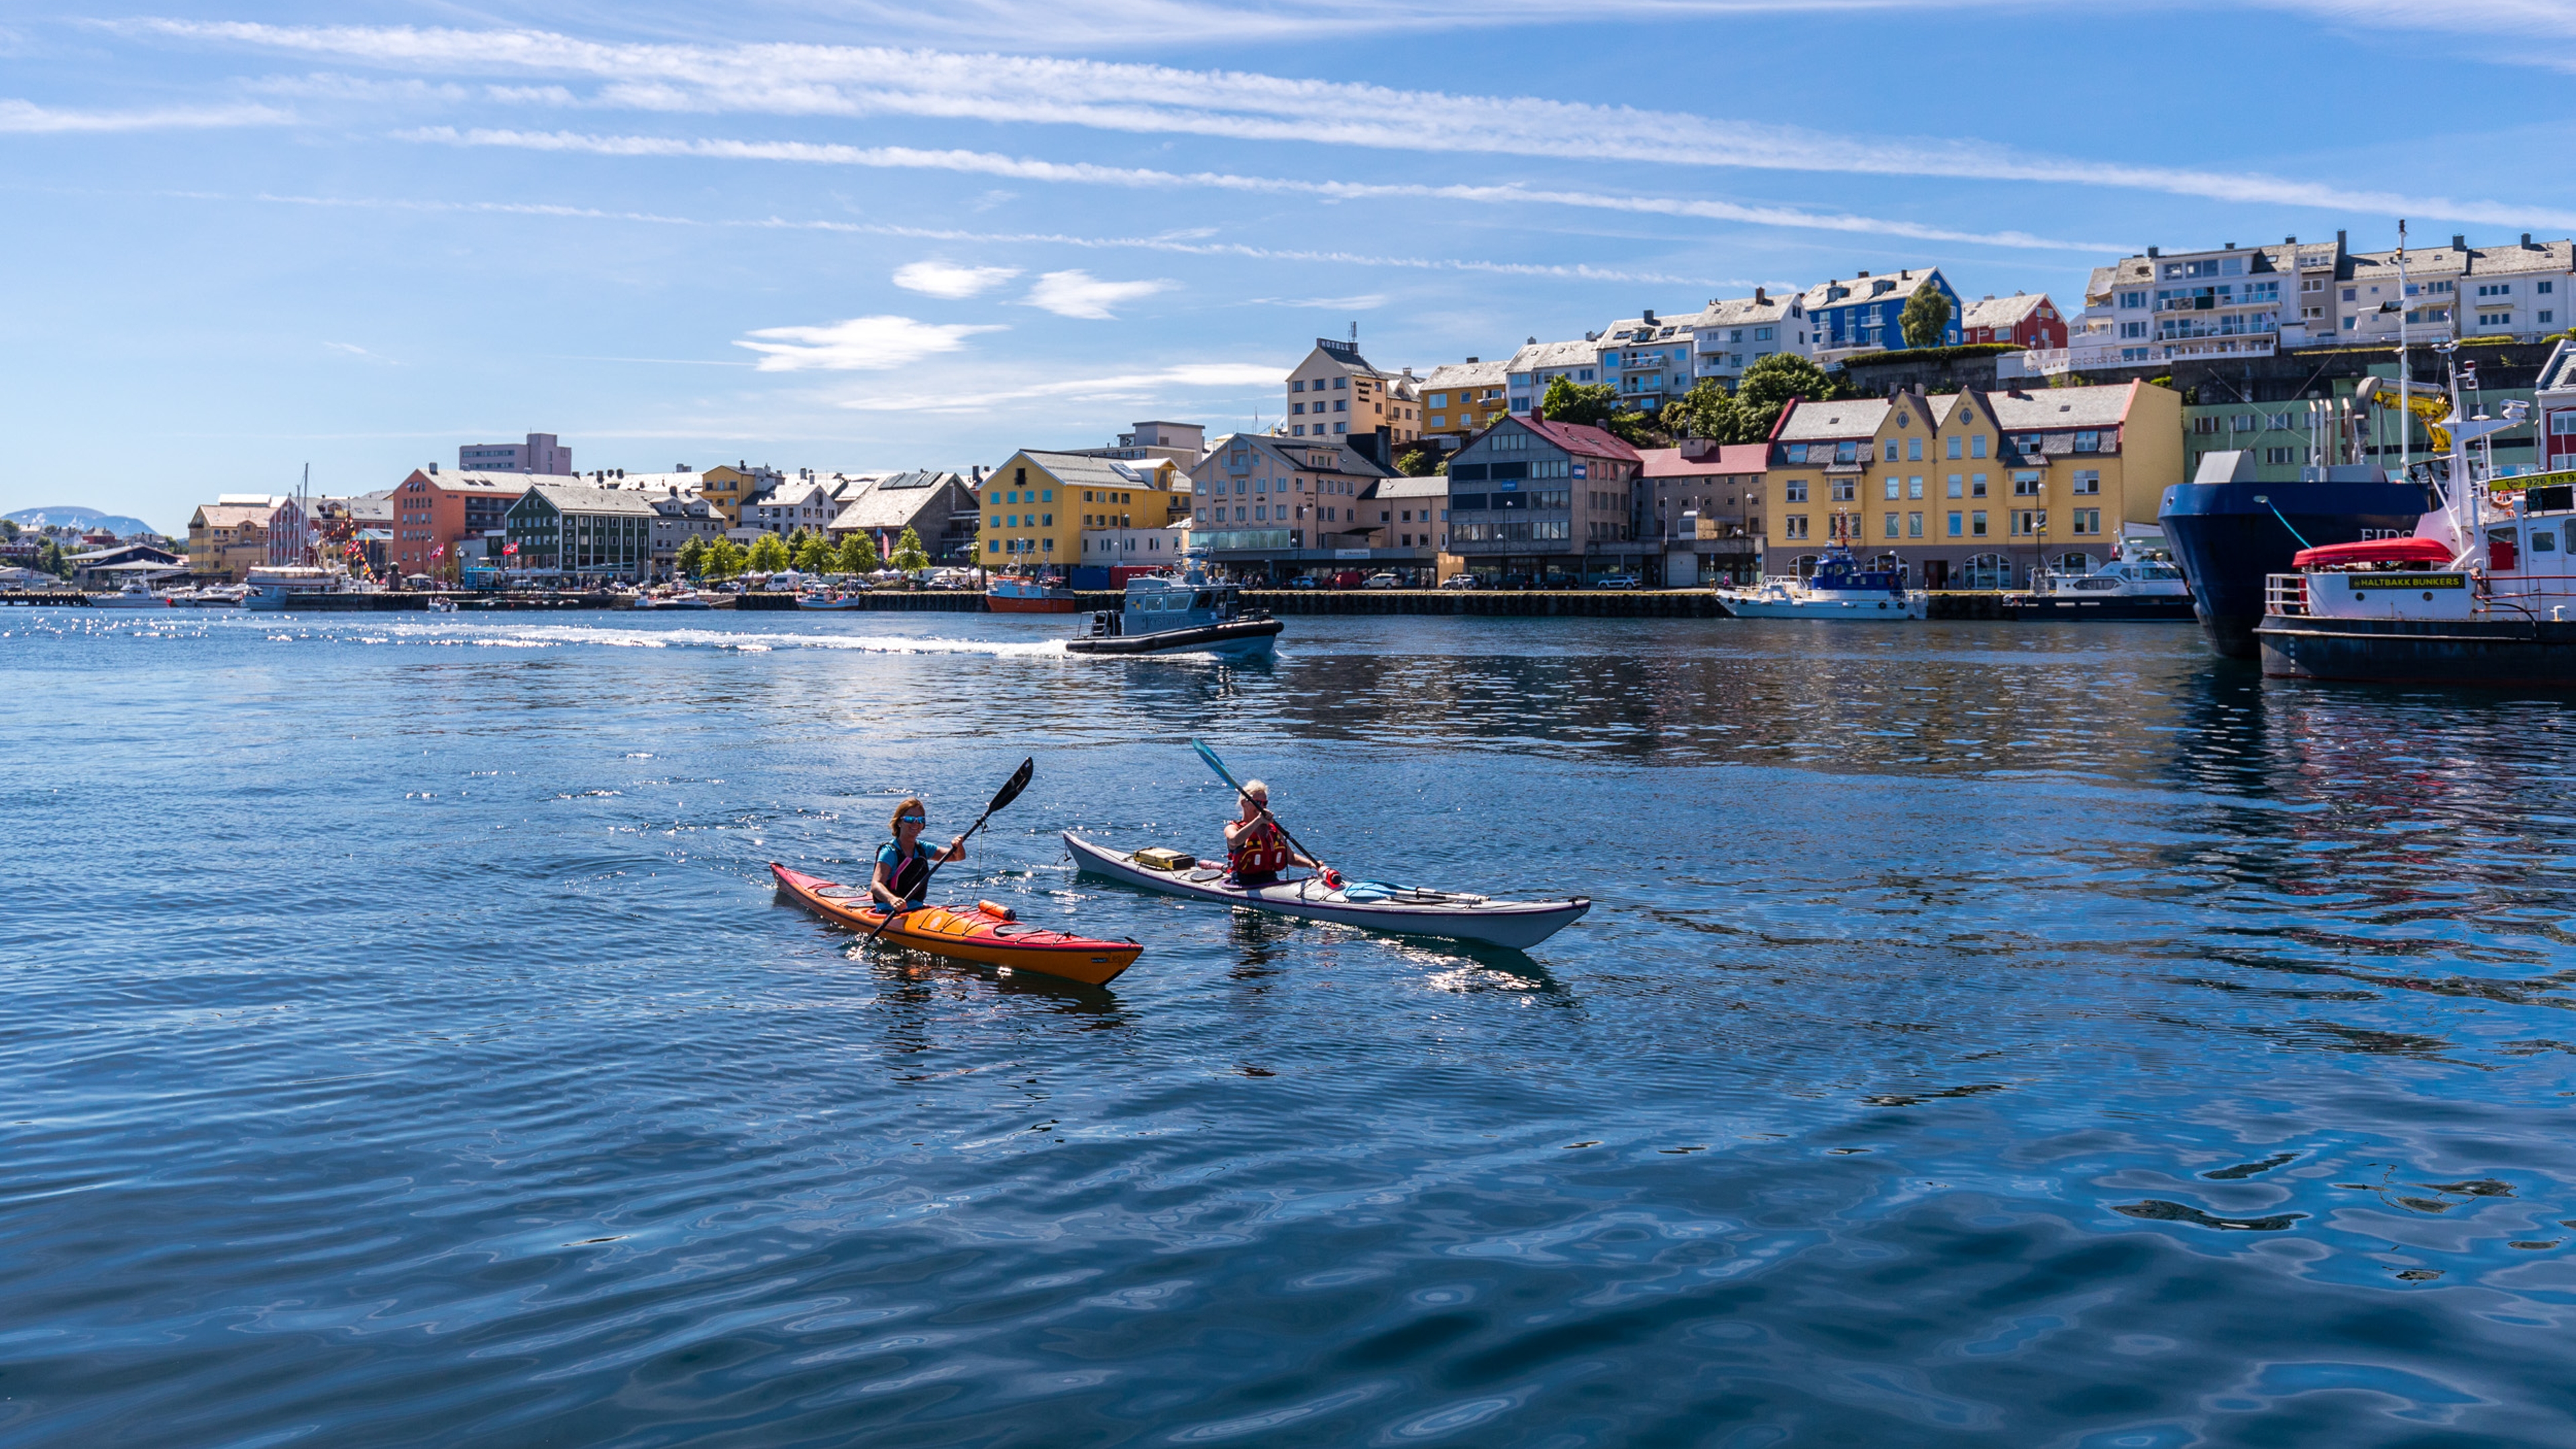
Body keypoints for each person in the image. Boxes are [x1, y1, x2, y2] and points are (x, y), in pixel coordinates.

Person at [872, 796, 966, 910]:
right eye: (910, 819)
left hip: (917, 909)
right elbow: (876, 885)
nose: (915, 824)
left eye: (920, 820)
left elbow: (958, 857)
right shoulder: (889, 852)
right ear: (899, 822)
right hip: (889, 910)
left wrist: (958, 847)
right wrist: (892, 899)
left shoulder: (924, 848)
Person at [1222, 779, 1316, 886]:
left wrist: (1310, 864)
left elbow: (1290, 858)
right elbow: (1235, 840)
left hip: (1271, 882)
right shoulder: (1233, 828)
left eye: (1265, 803)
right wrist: (1258, 821)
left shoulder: (1274, 829)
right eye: (1257, 803)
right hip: (1244, 883)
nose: (1262, 807)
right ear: (1244, 804)